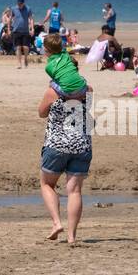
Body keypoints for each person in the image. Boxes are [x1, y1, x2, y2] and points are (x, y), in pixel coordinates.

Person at [37, 76, 93, 245]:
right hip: (81, 145)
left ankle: (56, 223)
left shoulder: (52, 92)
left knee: (47, 184)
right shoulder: (88, 90)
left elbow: (41, 113)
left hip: (57, 145)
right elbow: (86, 111)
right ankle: (71, 237)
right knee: (75, 191)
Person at [44, 33, 87, 101]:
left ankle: (63, 98)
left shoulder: (48, 67)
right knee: (82, 79)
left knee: (52, 82)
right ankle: (89, 109)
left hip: (68, 93)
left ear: (46, 49)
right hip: (82, 89)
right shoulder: (65, 54)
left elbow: (58, 80)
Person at [11, 0, 35, 68]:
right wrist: (9, 29)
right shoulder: (14, 9)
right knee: (18, 47)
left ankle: (26, 59)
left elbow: (31, 19)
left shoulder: (28, 9)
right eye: (18, 4)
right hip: (16, 30)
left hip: (25, 31)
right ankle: (19, 63)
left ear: (23, 3)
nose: (19, 5)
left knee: (25, 47)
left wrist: (32, 29)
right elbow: (10, 19)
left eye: (21, 4)